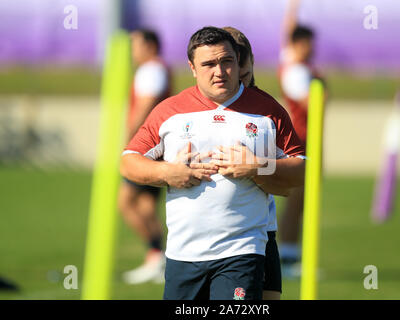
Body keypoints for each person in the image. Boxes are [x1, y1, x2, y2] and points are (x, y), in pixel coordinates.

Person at [120, 26, 306, 300]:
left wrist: (259, 167)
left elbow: (303, 169)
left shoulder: (267, 111)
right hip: (183, 253)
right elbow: (128, 162)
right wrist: (168, 172)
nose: (219, 71)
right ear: (192, 67)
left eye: (227, 62)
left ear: (239, 61)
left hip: (243, 250)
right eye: (208, 64)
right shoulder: (170, 111)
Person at [223, 26, 283, 300]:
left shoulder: (266, 111)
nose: (241, 85)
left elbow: (292, 173)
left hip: (262, 231)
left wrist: (258, 167)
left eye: (245, 76)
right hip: (214, 239)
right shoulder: (197, 111)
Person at [118, 29, 171, 285]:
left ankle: (156, 256)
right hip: (156, 147)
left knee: (126, 201)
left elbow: (145, 106)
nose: (133, 51)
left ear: (150, 46)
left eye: (136, 45)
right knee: (146, 204)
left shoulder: (151, 69)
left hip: (147, 148)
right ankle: (158, 259)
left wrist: (130, 143)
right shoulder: (156, 68)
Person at [278, 0, 324, 277]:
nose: (314, 48)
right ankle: (289, 257)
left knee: (302, 200)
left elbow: (288, 31)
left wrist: (292, 8)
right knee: (297, 199)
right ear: (302, 43)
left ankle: (291, 255)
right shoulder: (297, 70)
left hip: (306, 139)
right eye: (310, 43)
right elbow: (312, 104)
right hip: (302, 140)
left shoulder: (291, 60)